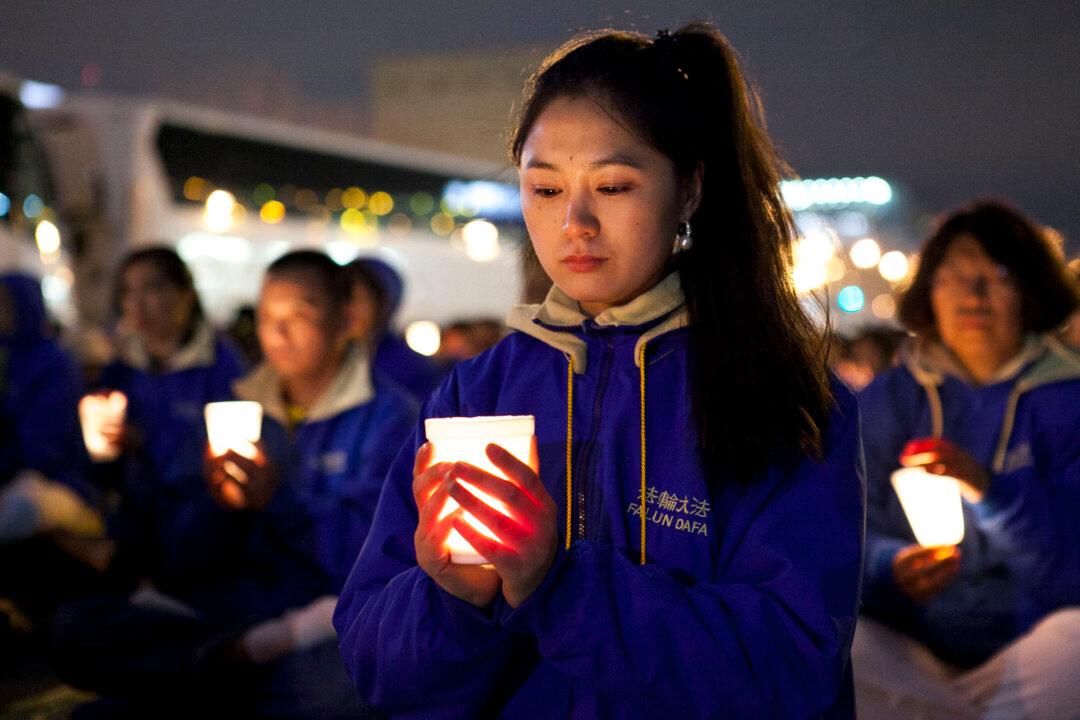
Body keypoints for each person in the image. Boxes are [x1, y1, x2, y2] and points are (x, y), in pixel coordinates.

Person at [335, 24, 864, 719]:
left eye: (613, 185)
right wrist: (451, 600)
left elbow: (792, 666)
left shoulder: (784, 395)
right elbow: (378, 662)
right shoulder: (477, 391)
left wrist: (559, 585)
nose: (574, 223)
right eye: (545, 189)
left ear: (689, 190)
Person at [52, 250, 415, 718]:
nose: (277, 335)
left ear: (347, 320)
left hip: (321, 621)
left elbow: (371, 557)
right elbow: (183, 554)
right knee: (75, 632)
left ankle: (202, 678)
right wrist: (215, 505)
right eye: (267, 317)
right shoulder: (237, 407)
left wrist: (278, 500)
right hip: (228, 610)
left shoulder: (390, 417)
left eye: (299, 316)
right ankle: (222, 668)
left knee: (340, 686)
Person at [854, 200, 1080, 719]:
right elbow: (837, 529)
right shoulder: (890, 400)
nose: (973, 294)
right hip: (913, 651)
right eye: (953, 275)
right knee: (844, 647)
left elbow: (1070, 569)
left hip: (1033, 652)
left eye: (996, 275)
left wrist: (990, 492)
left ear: (1030, 291)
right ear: (929, 292)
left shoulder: (1068, 399)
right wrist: (890, 566)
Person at [345, 257, 441, 404]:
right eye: (343, 298)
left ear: (383, 307)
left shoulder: (413, 368)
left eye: (360, 299)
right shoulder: (315, 359)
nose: (349, 308)